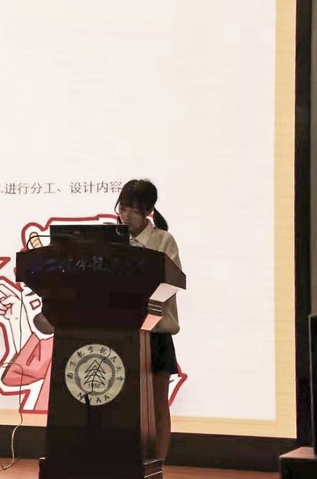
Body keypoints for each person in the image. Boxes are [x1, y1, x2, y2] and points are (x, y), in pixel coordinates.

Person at [115, 179, 182, 461]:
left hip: (156, 334)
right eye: (121, 208)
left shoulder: (163, 240)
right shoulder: (112, 239)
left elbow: (172, 283)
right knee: (121, 403)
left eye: (131, 210)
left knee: (157, 404)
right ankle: (123, 461)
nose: (124, 215)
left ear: (147, 212)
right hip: (120, 335)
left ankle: (158, 463)